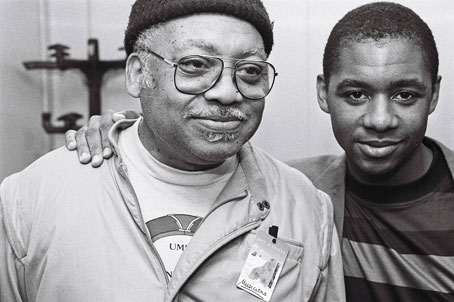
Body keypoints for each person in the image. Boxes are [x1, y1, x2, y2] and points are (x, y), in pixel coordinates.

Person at [68, 2, 454, 301]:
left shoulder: (302, 199)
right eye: (356, 94)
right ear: (324, 93)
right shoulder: (301, 193)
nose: (380, 119)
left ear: (433, 94)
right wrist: (130, 132)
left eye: (405, 95)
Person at [0, 0, 345, 301]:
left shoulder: (307, 210)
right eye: (195, 65)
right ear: (138, 74)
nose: (227, 93)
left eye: (250, 71)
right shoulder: (32, 200)